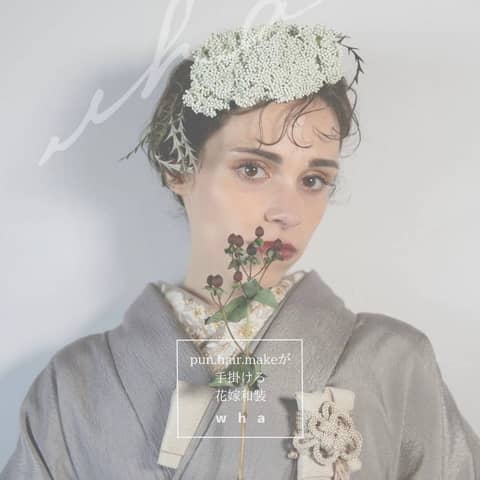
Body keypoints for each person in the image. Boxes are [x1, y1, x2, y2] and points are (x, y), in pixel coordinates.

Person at [1, 20, 479, 480]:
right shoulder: (75, 385)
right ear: (178, 169)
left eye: (314, 180)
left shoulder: (396, 364)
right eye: (253, 169)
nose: (287, 212)